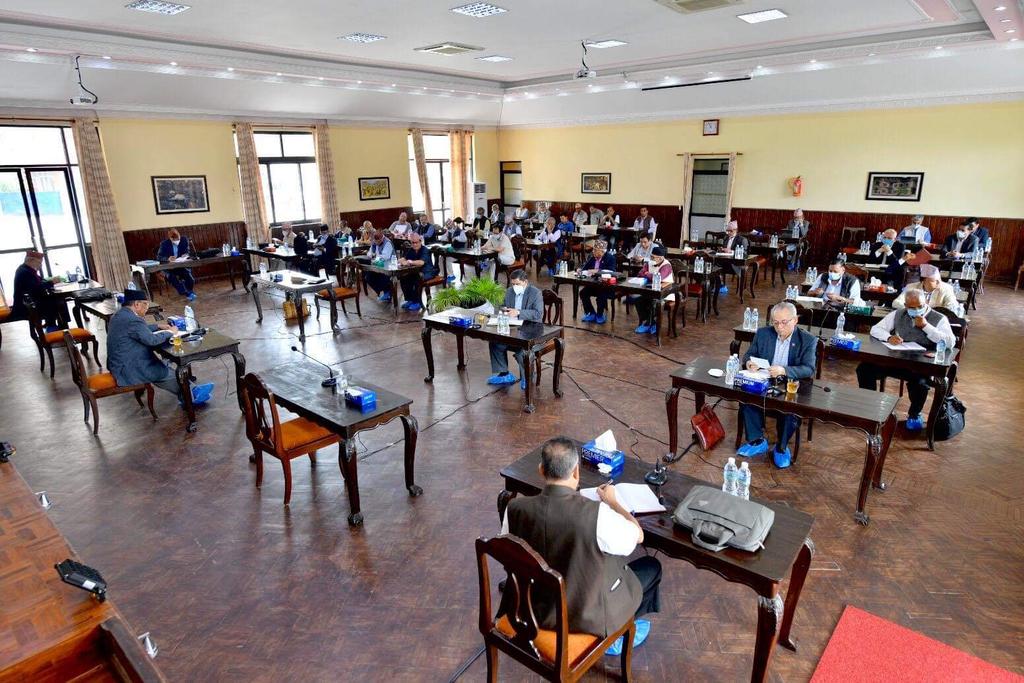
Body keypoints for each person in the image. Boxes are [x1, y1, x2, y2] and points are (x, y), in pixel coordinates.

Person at [501, 437, 661, 652]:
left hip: (531, 607)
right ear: (576, 472)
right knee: (652, 567)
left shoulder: (514, 508)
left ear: (541, 470)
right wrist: (613, 502)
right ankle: (616, 635)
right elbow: (638, 536)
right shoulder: (598, 515)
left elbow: (508, 554)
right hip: (583, 618)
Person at [857, 289, 956, 431]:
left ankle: (914, 414)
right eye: (912, 307)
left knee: (920, 383)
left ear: (926, 303)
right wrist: (889, 337)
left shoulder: (939, 318)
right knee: (864, 369)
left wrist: (926, 326)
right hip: (897, 360)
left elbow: (950, 343)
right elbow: (875, 329)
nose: (916, 310)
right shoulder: (899, 314)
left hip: (921, 365)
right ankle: (870, 406)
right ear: (905, 305)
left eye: (920, 306)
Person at [736, 301, 817, 468]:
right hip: (765, 380)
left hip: (790, 384)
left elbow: (808, 369)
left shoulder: (808, 340)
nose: (779, 327)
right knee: (747, 395)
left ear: (795, 320)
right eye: (776, 322)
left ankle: (781, 447)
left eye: (784, 322)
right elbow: (748, 355)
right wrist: (749, 363)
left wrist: (784, 370)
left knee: (790, 407)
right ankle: (757, 441)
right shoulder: (763, 333)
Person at [107, 289, 214, 404]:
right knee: (162, 371)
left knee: (163, 365)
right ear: (137, 304)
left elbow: (138, 331)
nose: (147, 307)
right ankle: (191, 396)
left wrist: (158, 326)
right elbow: (152, 340)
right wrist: (170, 332)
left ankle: (191, 392)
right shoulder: (133, 320)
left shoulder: (120, 315)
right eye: (145, 304)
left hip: (119, 364)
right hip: (129, 369)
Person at [487, 270, 543, 388]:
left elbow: (538, 313)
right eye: (513, 284)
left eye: (517, 284)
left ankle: (527, 376)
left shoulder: (535, 293)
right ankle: (504, 374)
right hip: (513, 328)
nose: (514, 287)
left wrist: (518, 312)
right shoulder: (509, 291)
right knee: (495, 342)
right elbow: (500, 306)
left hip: (531, 330)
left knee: (522, 351)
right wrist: (503, 310)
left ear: (525, 282)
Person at [11, 250, 60, 329]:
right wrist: (52, 282)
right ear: (31, 260)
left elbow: (40, 281)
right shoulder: (25, 272)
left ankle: (52, 324)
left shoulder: (25, 269)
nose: (40, 265)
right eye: (39, 263)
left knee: (54, 299)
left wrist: (49, 281)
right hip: (26, 306)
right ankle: (53, 326)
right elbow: (37, 288)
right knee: (56, 301)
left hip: (30, 300)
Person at [631, 246, 673, 335]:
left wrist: (647, 273)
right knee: (638, 300)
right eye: (651, 256)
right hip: (651, 289)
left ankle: (649, 324)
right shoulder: (649, 262)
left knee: (653, 302)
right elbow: (640, 273)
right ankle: (650, 323)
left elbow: (659, 277)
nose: (651, 258)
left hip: (666, 291)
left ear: (660, 258)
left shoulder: (666, 265)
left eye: (653, 257)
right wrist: (649, 274)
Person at [893, 264, 961, 312]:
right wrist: (913, 309)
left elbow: (952, 306)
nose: (938, 282)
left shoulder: (946, 288)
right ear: (924, 281)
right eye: (934, 281)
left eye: (939, 280)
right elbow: (896, 303)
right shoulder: (911, 287)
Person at [397, 232, 437, 313]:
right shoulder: (411, 250)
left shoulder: (425, 250)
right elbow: (404, 258)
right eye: (413, 243)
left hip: (427, 272)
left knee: (416, 279)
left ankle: (417, 302)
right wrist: (401, 260)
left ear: (420, 241)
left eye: (416, 242)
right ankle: (410, 299)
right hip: (416, 272)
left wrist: (409, 262)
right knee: (403, 277)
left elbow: (421, 262)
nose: (415, 244)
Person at [580, 240, 616, 324]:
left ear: (602, 251)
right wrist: (580, 270)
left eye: (596, 250)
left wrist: (597, 271)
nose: (593, 251)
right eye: (593, 249)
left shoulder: (610, 258)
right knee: (583, 293)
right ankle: (591, 313)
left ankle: (600, 314)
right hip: (593, 284)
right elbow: (585, 268)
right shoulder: (592, 257)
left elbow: (612, 271)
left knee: (601, 295)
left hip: (606, 286)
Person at [156, 229, 196, 301]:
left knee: (190, 278)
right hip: (169, 268)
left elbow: (187, 251)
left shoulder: (184, 240)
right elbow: (159, 257)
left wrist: (186, 254)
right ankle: (185, 292)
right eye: (176, 240)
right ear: (171, 239)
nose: (178, 241)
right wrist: (168, 258)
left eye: (178, 239)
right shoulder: (164, 244)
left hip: (180, 265)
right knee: (172, 277)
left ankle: (190, 292)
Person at [365, 230, 396, 302]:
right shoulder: (374, 242)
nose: (376, 243)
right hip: (377, 265)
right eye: (375, 241)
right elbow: (369, 253)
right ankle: (385, 291)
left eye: (378, 242)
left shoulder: (387, 243)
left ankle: (387, 292)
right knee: (368, 277)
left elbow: (386, 257)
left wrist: (375, 256)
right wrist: (372, 255)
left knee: (382, 277)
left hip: (389, 265)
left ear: (382, 238)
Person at [720, 220, 749, 286]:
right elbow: (725, 249)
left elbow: (744, 253)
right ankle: (718, 285)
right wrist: (722, 250)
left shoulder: (742, 239)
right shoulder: (726, 238)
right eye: (727, 231)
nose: (728, 232)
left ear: (736, 230)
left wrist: (731, 251)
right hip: (725, 261)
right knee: (714, 267)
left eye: (731, 231)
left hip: (735, 263)